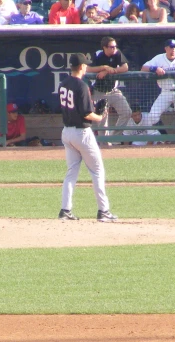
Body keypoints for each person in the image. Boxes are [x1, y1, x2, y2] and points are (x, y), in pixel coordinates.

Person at [57, 53, 116, 222]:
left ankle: (65, 210)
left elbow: (75, 108)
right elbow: (87, 113)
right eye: (85, 65)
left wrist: (94, 110)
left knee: (71, 172)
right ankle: (103, 211)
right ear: (82, 67)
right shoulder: (81, 86)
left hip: (67, 132)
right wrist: (100, 116)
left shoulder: (63, 84)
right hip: (82, 133)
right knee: (97, 171)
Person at [86, 36, 133, 143]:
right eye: (111, 47)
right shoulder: (98, 54)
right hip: (99, 91)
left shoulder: (117, 53)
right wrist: (104, 67)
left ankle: (112, 138)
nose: (114, 49)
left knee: (126, 112)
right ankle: (106, 144)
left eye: (115, 46)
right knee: (102, 120)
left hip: (113, 90)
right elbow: (88, 69)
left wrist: (109, 71)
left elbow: (125, 67)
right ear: (104, 48)